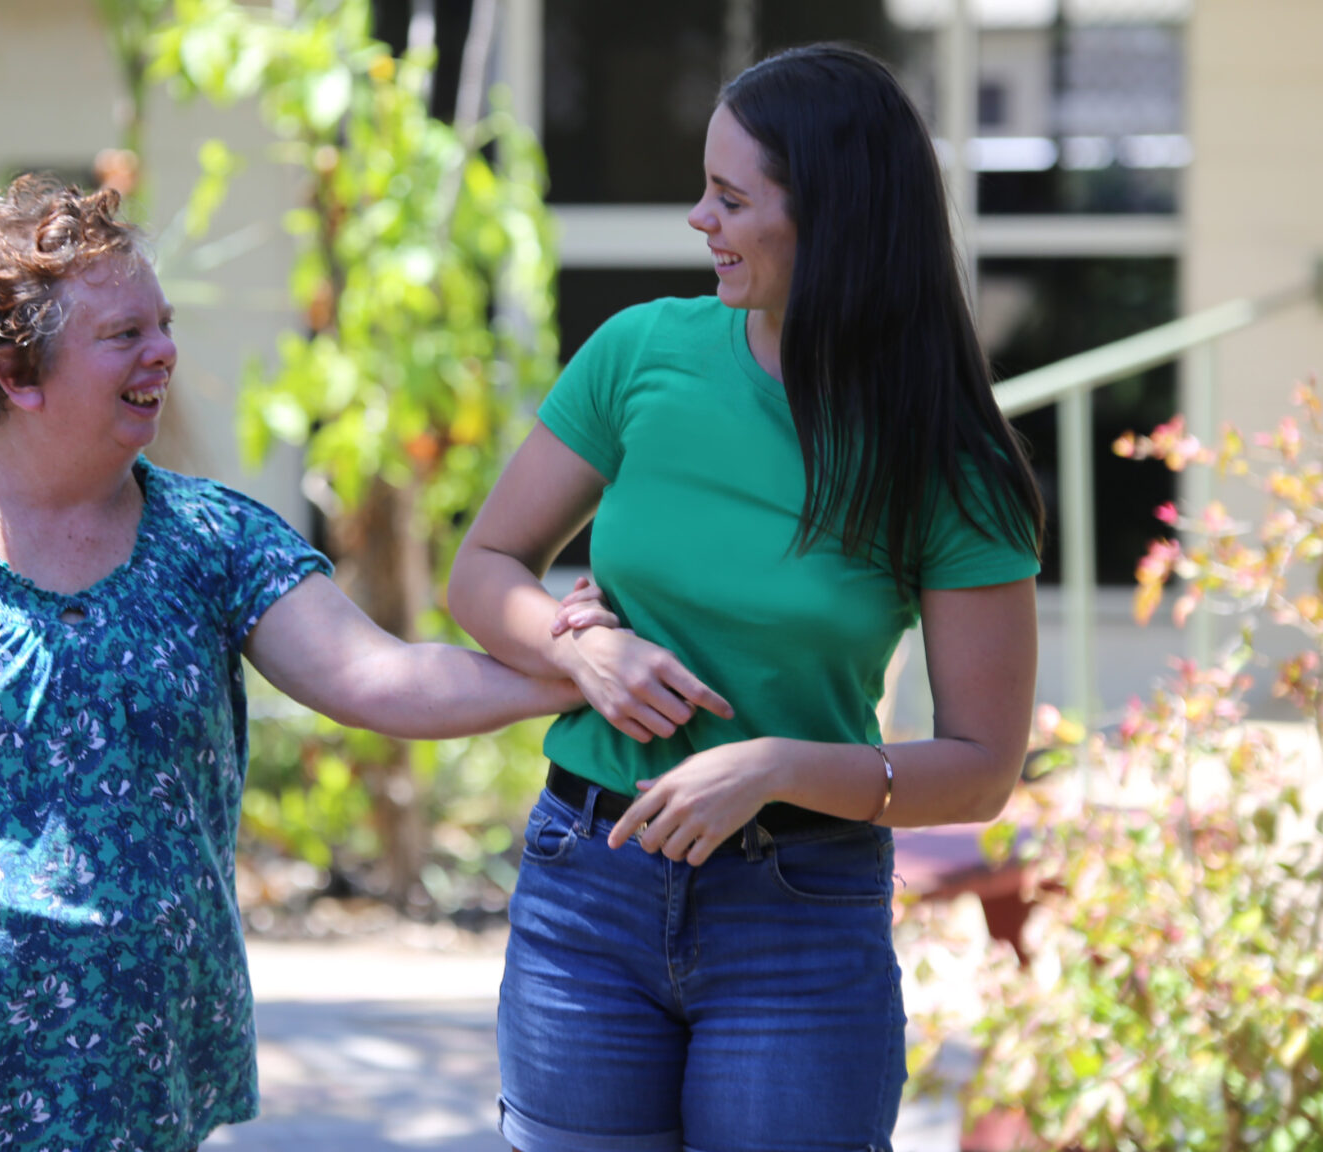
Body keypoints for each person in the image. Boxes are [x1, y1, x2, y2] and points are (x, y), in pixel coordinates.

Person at [0, 174, 582, 1152]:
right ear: (18, 374)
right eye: (123, 334)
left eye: (162, 324)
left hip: (134, 1085)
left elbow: (377, 678)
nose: (162, 352)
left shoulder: (212, 539)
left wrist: (568, 675)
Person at [448, 44, 1046, 1152]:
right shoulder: (640, 355)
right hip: (588, 889)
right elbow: (482, 568)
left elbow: (977, 767)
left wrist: (774, 764)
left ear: (834, 217)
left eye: (729, 198)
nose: (696, 219)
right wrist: (576, 651)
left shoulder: (946, 463)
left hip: (799, 920)